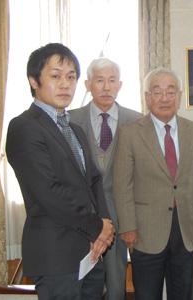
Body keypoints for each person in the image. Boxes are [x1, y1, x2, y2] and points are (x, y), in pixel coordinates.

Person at [6, 43, 115, 299]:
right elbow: (49, 193)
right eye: (55, 76)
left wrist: (106, 227)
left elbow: (94, 182)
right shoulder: (24, 127)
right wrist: (97, 226)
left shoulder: (74, 128)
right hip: (56, 255)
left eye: (71, 77)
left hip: (91, 253)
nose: (65, 84)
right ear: (34, 81)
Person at [113, 67, 193, 300]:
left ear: (179, 96)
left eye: (171, 92)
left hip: (186, 227)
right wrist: (127, 226)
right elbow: (122, 185)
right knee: (147, 294)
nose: (164, 98)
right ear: (147, 97)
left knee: (184, 293)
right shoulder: (129, 133)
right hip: (145, 230)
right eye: (157, 92)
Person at [69, 57, 142, 300]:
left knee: (115, 282)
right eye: (100, 80)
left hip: (121, 215)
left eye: (112, 81)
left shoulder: (137, 121)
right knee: (80, 282)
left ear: (120, 85)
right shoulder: (69, 120)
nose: (106, 87)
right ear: (88, 84)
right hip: (80, 217)